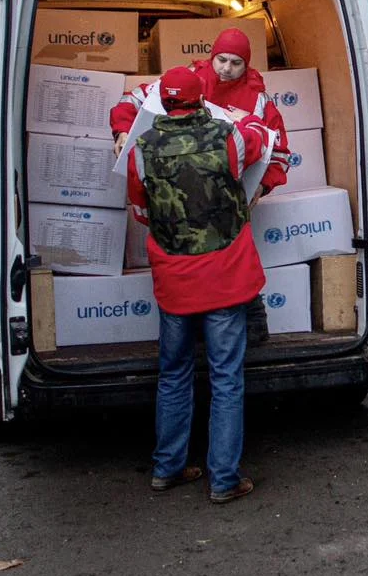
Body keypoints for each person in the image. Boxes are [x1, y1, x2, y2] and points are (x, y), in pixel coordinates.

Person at [128, 67, 271, 504]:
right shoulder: (229, 138)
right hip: (224, 277)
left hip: (175, 281)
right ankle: (224, 480)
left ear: (163, 103)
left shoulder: (142, 149)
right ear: (201, 99)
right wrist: (241, 116)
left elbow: (141, 211)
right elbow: (259, 138)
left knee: (174, 373)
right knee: (226, 377)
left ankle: (167, 468)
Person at [111, 27, 290, 344]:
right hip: (178, 197)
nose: (227, 68)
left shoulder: (259, 101)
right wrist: (123, 130)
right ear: (212, 56)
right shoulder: (187, 81)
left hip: (227, 200)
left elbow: (279, 153)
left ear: (247, 64)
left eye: (236, 63)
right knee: (195, 272)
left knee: (233, 268)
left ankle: (250, 330)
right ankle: (204, 339)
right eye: (222, 60)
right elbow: (130, 101)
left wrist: (263, 186)